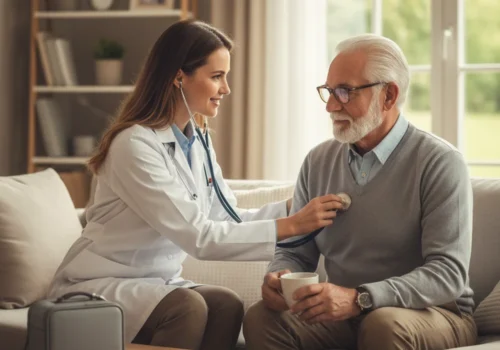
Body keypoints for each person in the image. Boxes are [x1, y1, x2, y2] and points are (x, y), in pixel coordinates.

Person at [47, 20, 343, 350]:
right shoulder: (134, 145)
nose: (226, 88)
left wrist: (292, 208)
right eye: (217, 76)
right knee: (186, 309)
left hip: (156, 283)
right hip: (98, 282)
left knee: (226, 304)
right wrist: (290, 226)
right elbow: (199, 236)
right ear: (178, 77)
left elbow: (226, 216)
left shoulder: (198, 142)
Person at [243, 34, 477, 350]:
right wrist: (280, 278)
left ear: (389, 96)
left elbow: (447, 275)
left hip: (433, 313)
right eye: (328, 91)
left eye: (345, 92)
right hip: (346, 313)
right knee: (262, 318)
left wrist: (361, 298)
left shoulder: (440, 162)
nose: (330, 105)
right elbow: (296, 250)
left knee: (384, 324)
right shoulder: (318, 161)